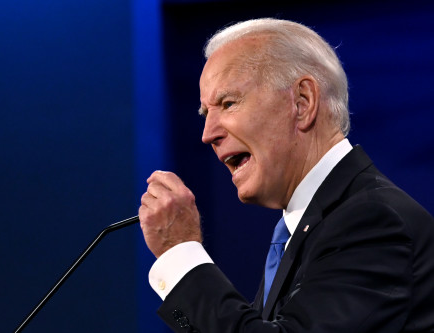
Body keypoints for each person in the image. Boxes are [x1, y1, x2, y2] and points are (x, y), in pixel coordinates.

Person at [138, 18, 434, 333]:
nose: (207, 134)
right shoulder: (310, 226)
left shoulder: (370, 221)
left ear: (302, 102)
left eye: (228, 103)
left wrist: (181, 252)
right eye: (205, 113)